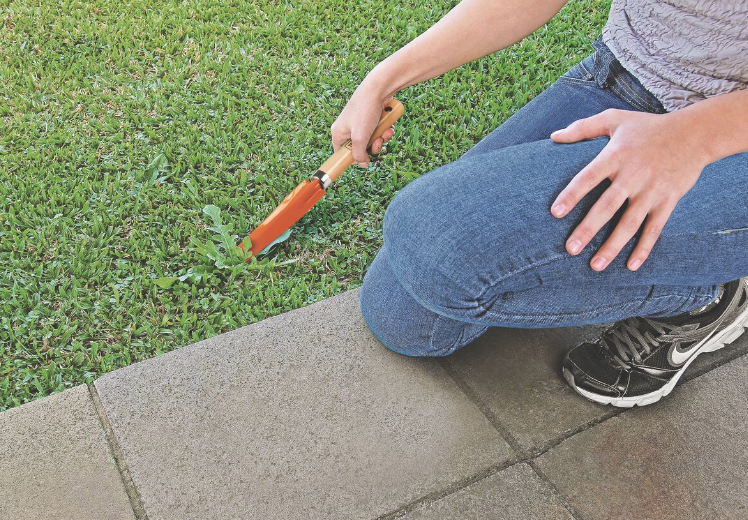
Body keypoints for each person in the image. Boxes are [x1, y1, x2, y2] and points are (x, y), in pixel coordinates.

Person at [332, 0, 748, 407]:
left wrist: (686, 138)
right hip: (625, 81)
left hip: (728, 136)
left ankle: (711, 292)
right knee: (405, 319)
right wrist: (382, 80)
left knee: (437, 247)